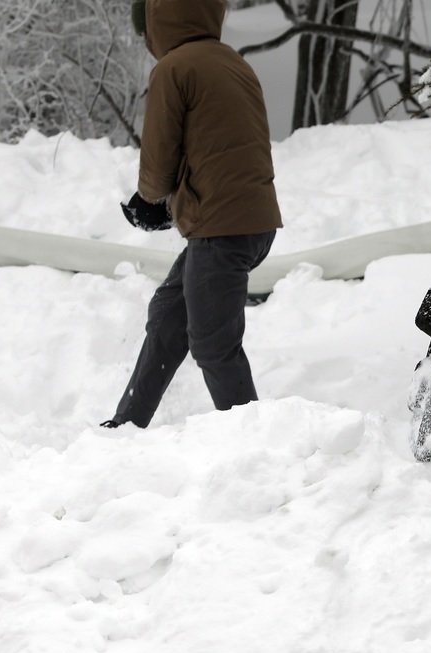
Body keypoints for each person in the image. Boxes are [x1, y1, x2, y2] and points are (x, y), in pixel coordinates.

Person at [103, 0, 281, 428]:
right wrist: (180, 199)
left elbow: (159, 155)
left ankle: (254, 440)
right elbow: (220, 145)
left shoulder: (174, 67)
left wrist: (151, 199)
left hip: (221, 228)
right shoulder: (232, 63)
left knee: (213, 345)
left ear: (155, 25)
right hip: (249, 221)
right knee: (169, 317)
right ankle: (127, 423)